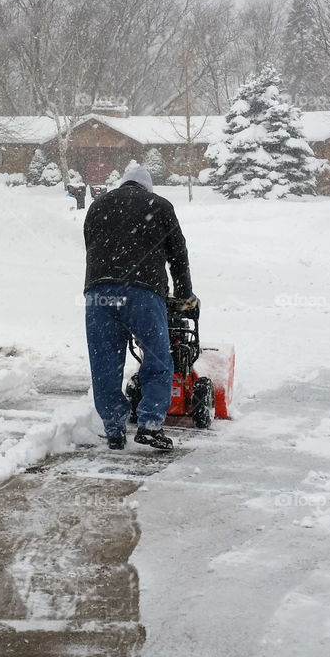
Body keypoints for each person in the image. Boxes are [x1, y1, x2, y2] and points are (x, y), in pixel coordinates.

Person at [83, 165, 195, 451]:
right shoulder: (159, 205)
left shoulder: (98, 205)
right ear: (147, 188)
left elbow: (91, 245)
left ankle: (114, 427)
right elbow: (178, 254)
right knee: (157, 358)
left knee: (104, 361)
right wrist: (184, 295)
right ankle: (150, 424)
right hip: (142, 292)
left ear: (124, 184)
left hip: (99, 292)